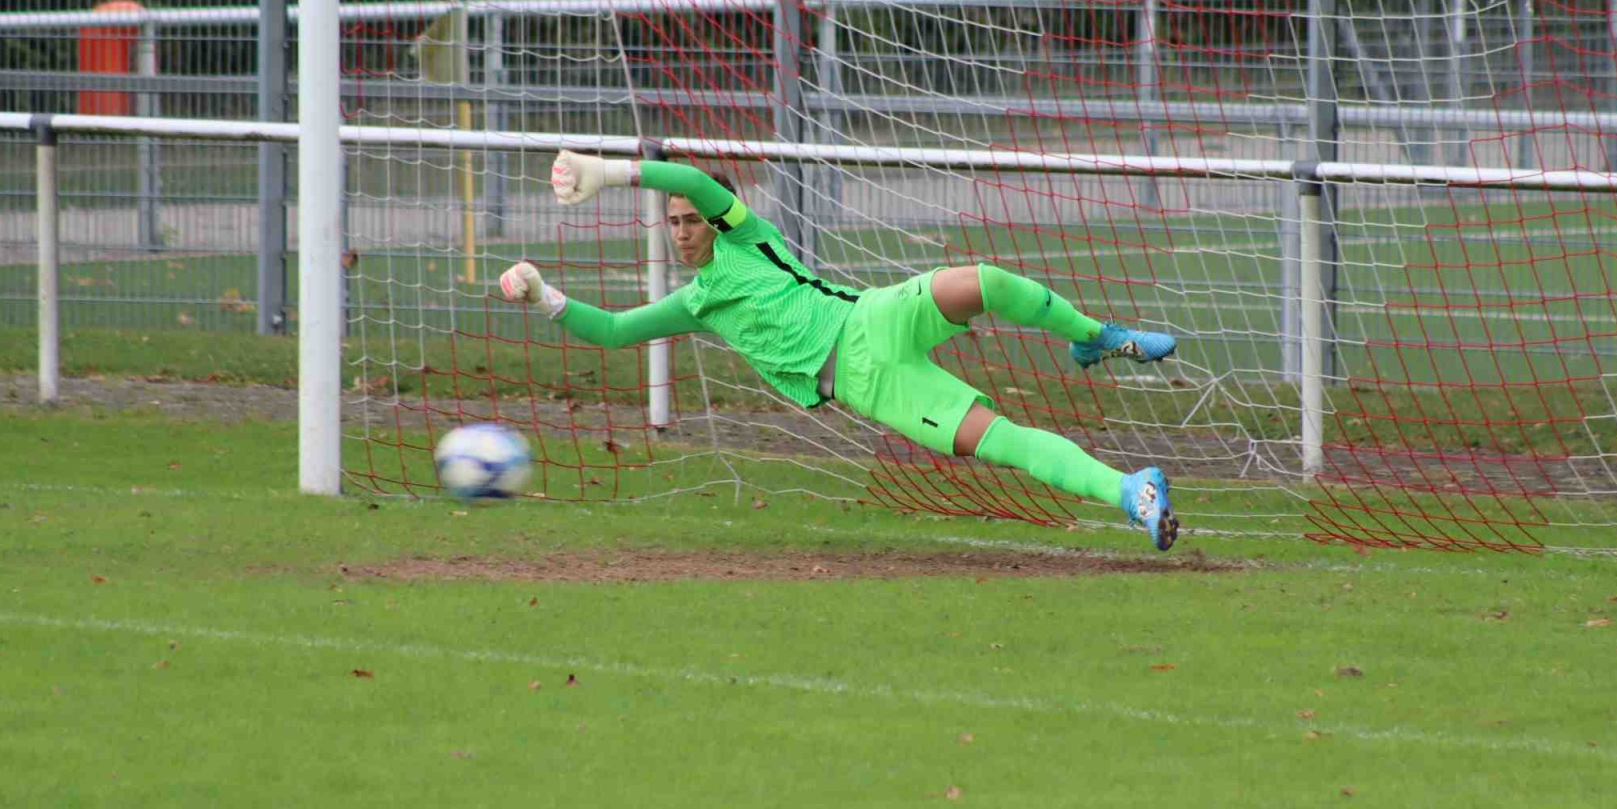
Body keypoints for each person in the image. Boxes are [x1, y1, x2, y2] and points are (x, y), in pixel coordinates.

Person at [496, 146, 1180, 550]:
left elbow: (697, 181)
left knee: (985, 280)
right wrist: (543, 298)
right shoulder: (695, 303)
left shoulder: (746, 236)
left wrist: (608, 172)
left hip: (874, 317)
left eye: (688, 219)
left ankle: (1097, 339)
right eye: (671, 223)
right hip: (867, 385)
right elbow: (615, 331)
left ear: (716, 219)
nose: (679, 230)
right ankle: (1132, 492)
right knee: (1002, 440)